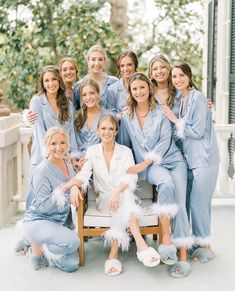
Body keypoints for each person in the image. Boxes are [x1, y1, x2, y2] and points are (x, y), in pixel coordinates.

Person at [64, 114, 160, 276]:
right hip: (105, 200)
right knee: (124, 199)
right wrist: (73, 186)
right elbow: (83, 175)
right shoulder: (92, 151)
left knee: (125, 197)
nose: (107, 132)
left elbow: (131, 177)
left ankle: (113, 254)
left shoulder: (125, 151)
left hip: (124, 194)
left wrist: (117, 191)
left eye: (111, 129)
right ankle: (141, 245)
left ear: (116, 132)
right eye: (103, 128)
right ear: (98, 130)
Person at [119, 72, 191, 277]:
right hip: (150, 167)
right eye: (134, 89)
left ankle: (183, 257)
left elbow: (165, 141)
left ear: (149, 89)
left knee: (180, 202)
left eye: (142, 87)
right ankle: (166, 237)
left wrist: (144, 163)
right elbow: (124, 143)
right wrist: (131, 167)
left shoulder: (161, 111)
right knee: (166, 184)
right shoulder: (126, 115)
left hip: (171, 160)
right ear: (130, 92)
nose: (139, 91)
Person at [162, 62, 220, 264]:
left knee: (198, 204)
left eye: (181, 75)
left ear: (189, 76)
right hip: (190, 160)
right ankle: (197, 241)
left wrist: (173, 119)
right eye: (174, 76)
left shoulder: (199, 97)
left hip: (205, 159)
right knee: (190, 203)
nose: (177, 79)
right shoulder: (182, 99)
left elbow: (196, 131)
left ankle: (206, 246)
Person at [148, 55, 193, 277]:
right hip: (158, 157)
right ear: (151, 72)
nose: (159, 71)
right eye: (155, 68)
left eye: (163, 67)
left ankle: (183, 254)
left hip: (178, 152)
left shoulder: (179, 93)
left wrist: (208, 105)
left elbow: (193, 111)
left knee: (181, 203)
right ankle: (169, 243)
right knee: (168, 195)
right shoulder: (148, 95)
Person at [22, 127, 81, 272]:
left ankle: (43, 247)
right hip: (39, 221)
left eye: (62, 143)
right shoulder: (42, 171)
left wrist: (74, 185)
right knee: (74, 242)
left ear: (67, 145)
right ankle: (36, 246)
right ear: (47, 146)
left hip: (58, 223)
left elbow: (74, 181)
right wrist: (67, 187)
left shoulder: (67, 163)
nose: (59, 148)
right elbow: (42, 206)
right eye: (53, 143)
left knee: (71, 265)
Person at [73, 45, 118, 110]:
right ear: (88, 61)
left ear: (105, 61)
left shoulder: (114, 82)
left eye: (100, 59)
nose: (97, 63)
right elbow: (75, 112)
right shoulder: (79, 86)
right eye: (93, 59)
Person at [75, 79, 109, 155]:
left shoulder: (107, 116)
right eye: (84, 95)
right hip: (80, 160)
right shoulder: (77, 116)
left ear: (98, 93)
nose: (88, 97)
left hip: (100, 159)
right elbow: (74, 143)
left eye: (92, 93)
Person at [107, 51, 138, 118]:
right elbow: (111, 115)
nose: (126, 69)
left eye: (129, 65)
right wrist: (123, 114)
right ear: (119, 68)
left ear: (135, 65)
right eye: (122, 66)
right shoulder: (112, 90)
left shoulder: (145, 86)